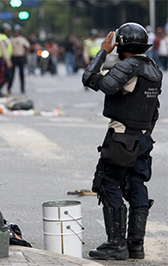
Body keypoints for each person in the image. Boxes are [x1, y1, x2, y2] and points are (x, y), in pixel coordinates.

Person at [82, 22, 162, 260]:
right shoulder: (154, 68)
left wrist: (104, 51)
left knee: (108, 184)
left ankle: (116, 244)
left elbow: (92, 80)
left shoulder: (128, 66)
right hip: (143, 137)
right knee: (136, 185)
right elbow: (153, 109)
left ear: (120, 43)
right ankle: (136, 246)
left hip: (121, 137)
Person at [8, 24, 30, 94]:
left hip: (21, 57)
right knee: (11, 74)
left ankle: (22, 88)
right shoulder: (11, 39)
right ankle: (9, 88)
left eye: (17, 31)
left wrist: (25, 54)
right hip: (13, 57)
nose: (16, 33)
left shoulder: (22, 39)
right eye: (15, 31)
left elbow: (27, 46)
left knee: (22, 74)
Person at [0, 23, 13, 98]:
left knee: (5, 76)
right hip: (1, 60)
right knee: (2, 77)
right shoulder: (1, 38)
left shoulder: (3, 37)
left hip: (2, 60)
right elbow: (3, 50)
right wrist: (8, 61)